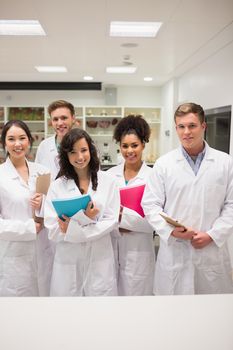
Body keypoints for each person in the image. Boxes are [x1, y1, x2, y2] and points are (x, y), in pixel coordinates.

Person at [142, 102, 233, 295]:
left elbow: (231, 205)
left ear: (203, 126)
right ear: (176, 128)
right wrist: (172, 231)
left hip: (211, 251)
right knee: (173, 316)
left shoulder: (225, 162)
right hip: (175, 252)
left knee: (211, 315)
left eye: (192, 126)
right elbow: (151, 205)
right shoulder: (163, 164)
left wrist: (212, 235)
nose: (186, 132)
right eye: (181, 127)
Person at [44, 128, 119, 296]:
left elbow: (111, 221)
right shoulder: (57, 186)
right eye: (73, 152)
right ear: (66, 156)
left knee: (100, 315)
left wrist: (74, 226)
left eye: (84, 150)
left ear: (91, 150)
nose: (79, 157)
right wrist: (87, 219)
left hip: (99, 260)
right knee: (68, 316)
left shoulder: (109, 182)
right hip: (68, 261)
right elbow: (52, 228)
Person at [0, 120, 50, 296]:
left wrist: (44, 206)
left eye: (22, 138)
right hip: (14, 256)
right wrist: (31, 228)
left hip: (43, 251)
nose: (17, 144)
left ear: (29, 140)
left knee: (44, 309)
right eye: (11, 139)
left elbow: (53, 209)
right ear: (4, 143)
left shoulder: (43, 171)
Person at [107, 115, 155, 296]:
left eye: (134, 145)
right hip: (111, 246)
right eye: (125, 146)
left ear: (143, 144)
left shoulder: (153, 177)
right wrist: (117, 223)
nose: (129, 151)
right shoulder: (109, 176)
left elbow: (155, 220)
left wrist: (122, 218)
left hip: (139, 249)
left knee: (137, 301)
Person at [35, 100, 76, 180]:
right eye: (55, 119)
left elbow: (94, 176)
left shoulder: (86, 144)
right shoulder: (44, 146)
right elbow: (36, 176)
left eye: (64, 118)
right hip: (49, 192)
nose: (60, 123)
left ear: (73, 119)